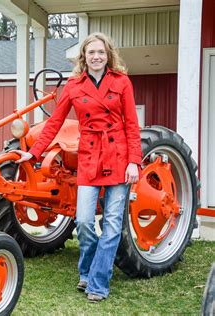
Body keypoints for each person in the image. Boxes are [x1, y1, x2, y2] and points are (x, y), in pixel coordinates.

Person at [13, 32, 141, 302]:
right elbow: (54, 124)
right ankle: (87, 268)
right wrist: (33, 153)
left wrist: (134, 161)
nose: (96, 57)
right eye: (91, 52)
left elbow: (131, 125)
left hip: (118, 157)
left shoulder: (122, 82)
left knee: (112, 225)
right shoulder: (74, 85)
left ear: (108, 56)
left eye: (101, 53)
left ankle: (97, 282)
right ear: (84, 57)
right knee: (83, 221)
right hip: (90, 158)